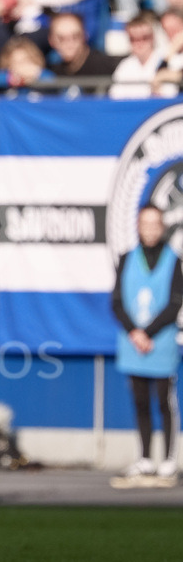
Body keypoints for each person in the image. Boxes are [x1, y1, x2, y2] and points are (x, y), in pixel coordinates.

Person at [111, 204, 183, 488]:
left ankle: (167, 460)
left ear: (163, 226)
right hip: (133, 344)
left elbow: (175, 302)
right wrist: (135, 332)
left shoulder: (173, 260)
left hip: (161, 341)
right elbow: (117, 301)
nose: (151, 229)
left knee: (164, 402)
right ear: (138, 226)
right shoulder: (127, 258)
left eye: (156, 223)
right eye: (146, 223)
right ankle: (144, 458)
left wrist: (149, 332)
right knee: (140, 401)